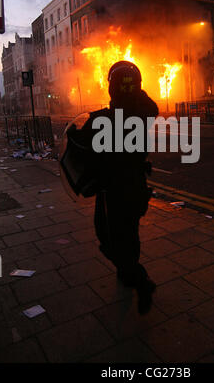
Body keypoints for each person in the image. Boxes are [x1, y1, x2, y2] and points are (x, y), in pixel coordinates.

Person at [81, 61, 159, 314]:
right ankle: (128, 273)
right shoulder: (144, 113)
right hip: (136, 187)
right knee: (130, 233)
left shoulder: (99, 121)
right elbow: (149, 103)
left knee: (107, 237)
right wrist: (135, 85)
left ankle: (137, 278)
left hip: (111, 191)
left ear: (111, 89)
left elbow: (80, 153)